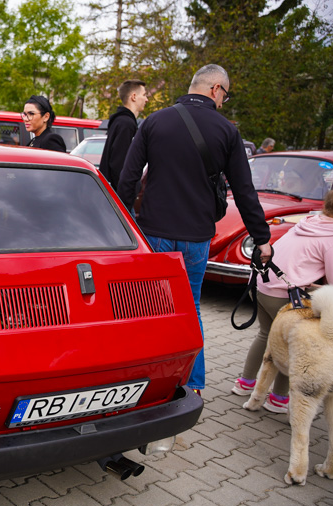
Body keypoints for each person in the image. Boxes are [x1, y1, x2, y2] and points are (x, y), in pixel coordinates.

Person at [116, 63, 272, 395]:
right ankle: (193, 384)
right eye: (225, 95)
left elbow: (127, 181)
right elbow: (244, 192)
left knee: (150, 307)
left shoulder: (154, 121)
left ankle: (145, 382)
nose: (223, 102)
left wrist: (120, 227)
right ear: (216, 89)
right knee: (191, 307)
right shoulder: (227, 131)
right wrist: (262, 238)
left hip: (153, 232)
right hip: (197, 237)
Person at [233, 187, 333, 412]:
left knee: (265, 334)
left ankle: (245, 383)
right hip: (286, 295)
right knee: (291, 346)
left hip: (262, 285)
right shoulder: (332, 237)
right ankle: (278, 399)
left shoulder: (308, 222)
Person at [99, 79, 148, 191]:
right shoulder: (126, 124)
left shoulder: (120, 121)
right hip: (120, 196)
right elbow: (119, 163)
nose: (146, 99)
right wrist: (126, 195)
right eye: (144, 95)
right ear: (134, 97)